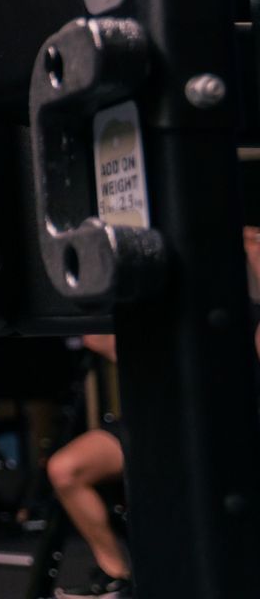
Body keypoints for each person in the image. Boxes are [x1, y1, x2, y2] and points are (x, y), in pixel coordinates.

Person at [49, 226, 260, 598]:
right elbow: (95, 337)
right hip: (150, 429)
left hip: (218, 434)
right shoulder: (151, 318)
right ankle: (117, 575)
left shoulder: (241, 316)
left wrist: (255, 255)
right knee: (66, 469)